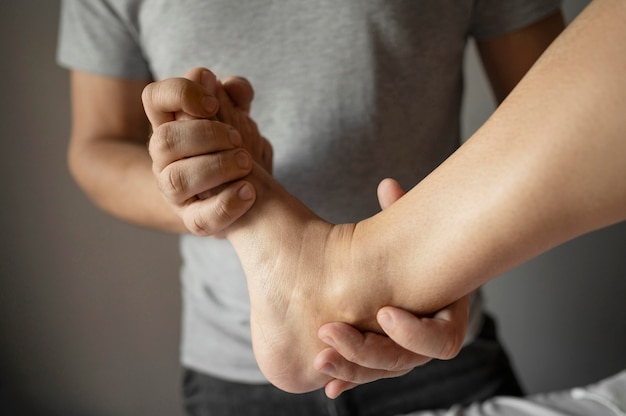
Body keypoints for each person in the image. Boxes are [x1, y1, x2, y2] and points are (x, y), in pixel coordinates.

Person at [58, 1, 565, 414]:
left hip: (429, 330)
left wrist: (457, 250)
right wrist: (207, 190)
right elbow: (98, 146)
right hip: (231, 366)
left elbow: (553, 113)